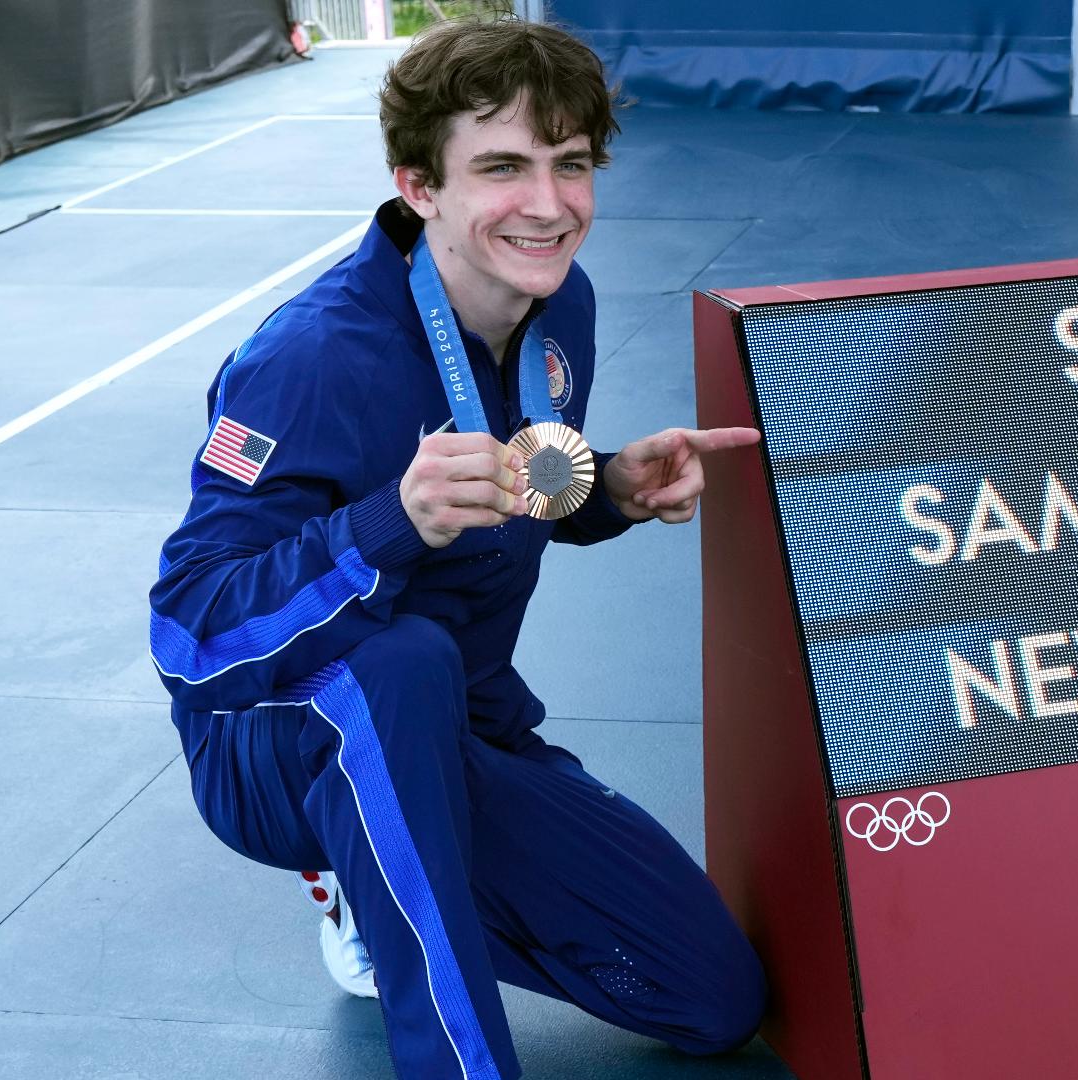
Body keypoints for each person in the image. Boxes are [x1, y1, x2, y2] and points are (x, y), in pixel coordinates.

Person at [146, 16, 767, 1079]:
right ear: (418, 185)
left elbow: (520, 479)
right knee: (396, 663)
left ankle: (381, 869)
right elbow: (190, 638)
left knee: (710, 997)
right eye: (502, 167)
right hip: (279, 737)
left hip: (465, 725)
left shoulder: (558, 300)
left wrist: (609, 485)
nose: (548, 204)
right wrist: (391, 521)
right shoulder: (312, 361)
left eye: (570, 165)